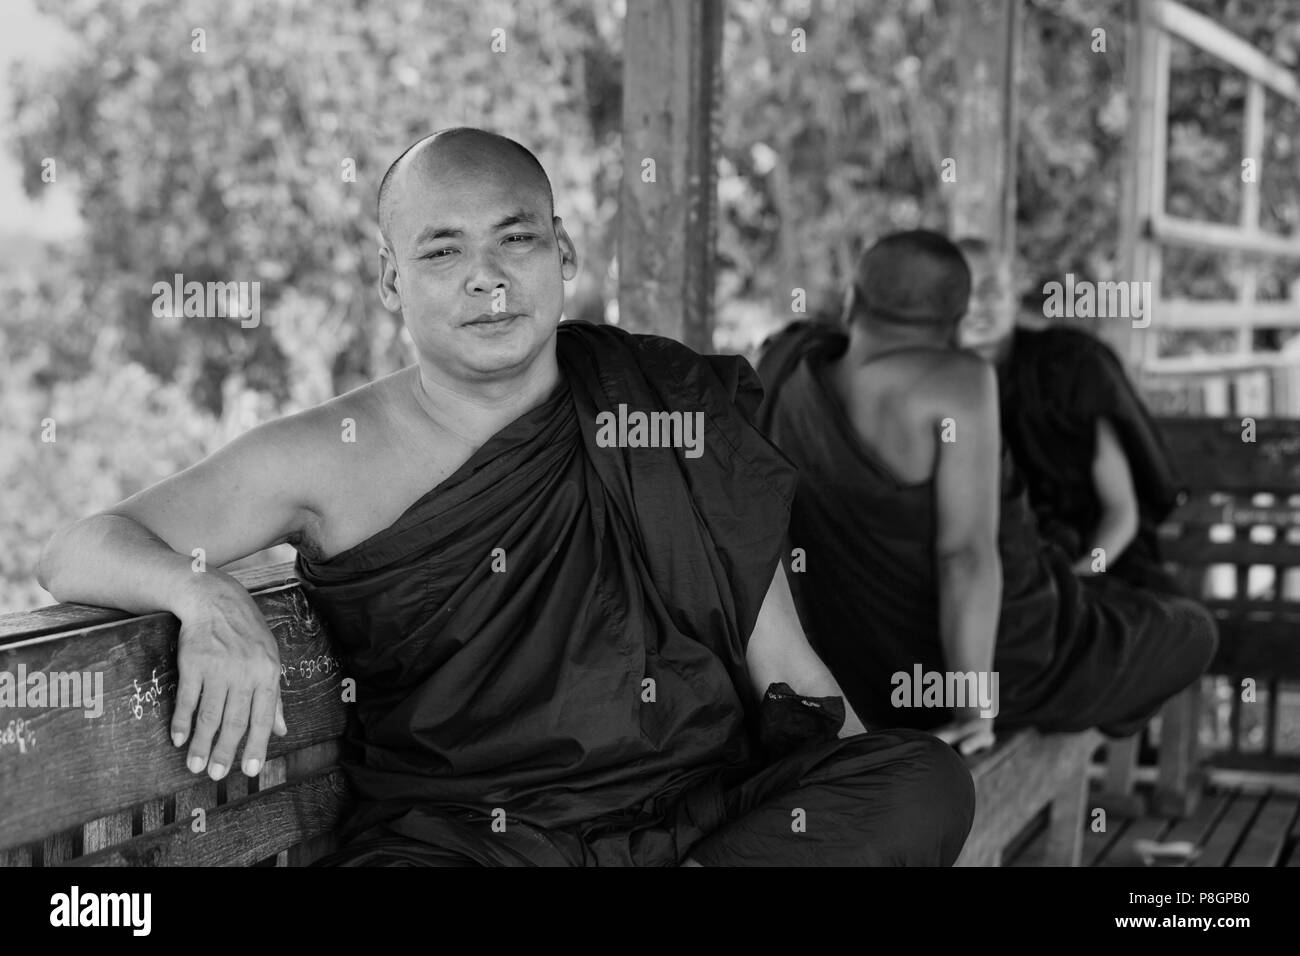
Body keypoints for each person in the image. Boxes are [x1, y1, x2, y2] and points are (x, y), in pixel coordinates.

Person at [37, 130, 975, 867]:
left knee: (922, 780)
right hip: (473, 845)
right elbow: (79, 545)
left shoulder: (664, 407)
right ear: (389, 279)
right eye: (443, 251)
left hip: (701, 825)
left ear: (561, 251)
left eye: (515, 238)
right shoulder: (323, 455)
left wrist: (862, 797)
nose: (487, 277)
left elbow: (791, 672)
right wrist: (204, 595)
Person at [756, 230, 1216, 754]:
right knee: (1192, 630)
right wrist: (974, 706)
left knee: (1115, 605)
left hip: (852, 670)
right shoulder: (959, 381)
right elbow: (965, 557)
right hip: (1002, 660)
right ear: (955, 320)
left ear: (853, 300)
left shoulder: (787, 362)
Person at [955, 237, 1183, 592]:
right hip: (991, 580)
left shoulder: (1072, 368)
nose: (976, 305)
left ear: (1014, 295)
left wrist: (1084, 573)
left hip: (1097, 566)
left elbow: (1121, 511)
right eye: (960, 292)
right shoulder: (925, 389)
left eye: (990, 289)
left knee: (1182, 627)